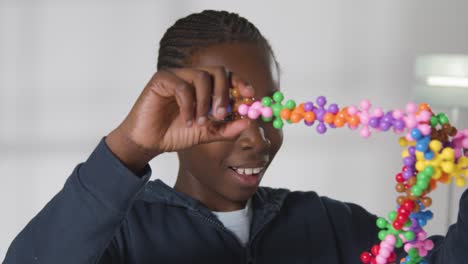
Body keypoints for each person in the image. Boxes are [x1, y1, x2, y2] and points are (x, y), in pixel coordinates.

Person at [4, 10, 468, 264]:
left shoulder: (334, 225)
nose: (256, 139)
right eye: (227, 114)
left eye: (271, 110)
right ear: (172, 110)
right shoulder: (119, 234)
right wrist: (128, 148)